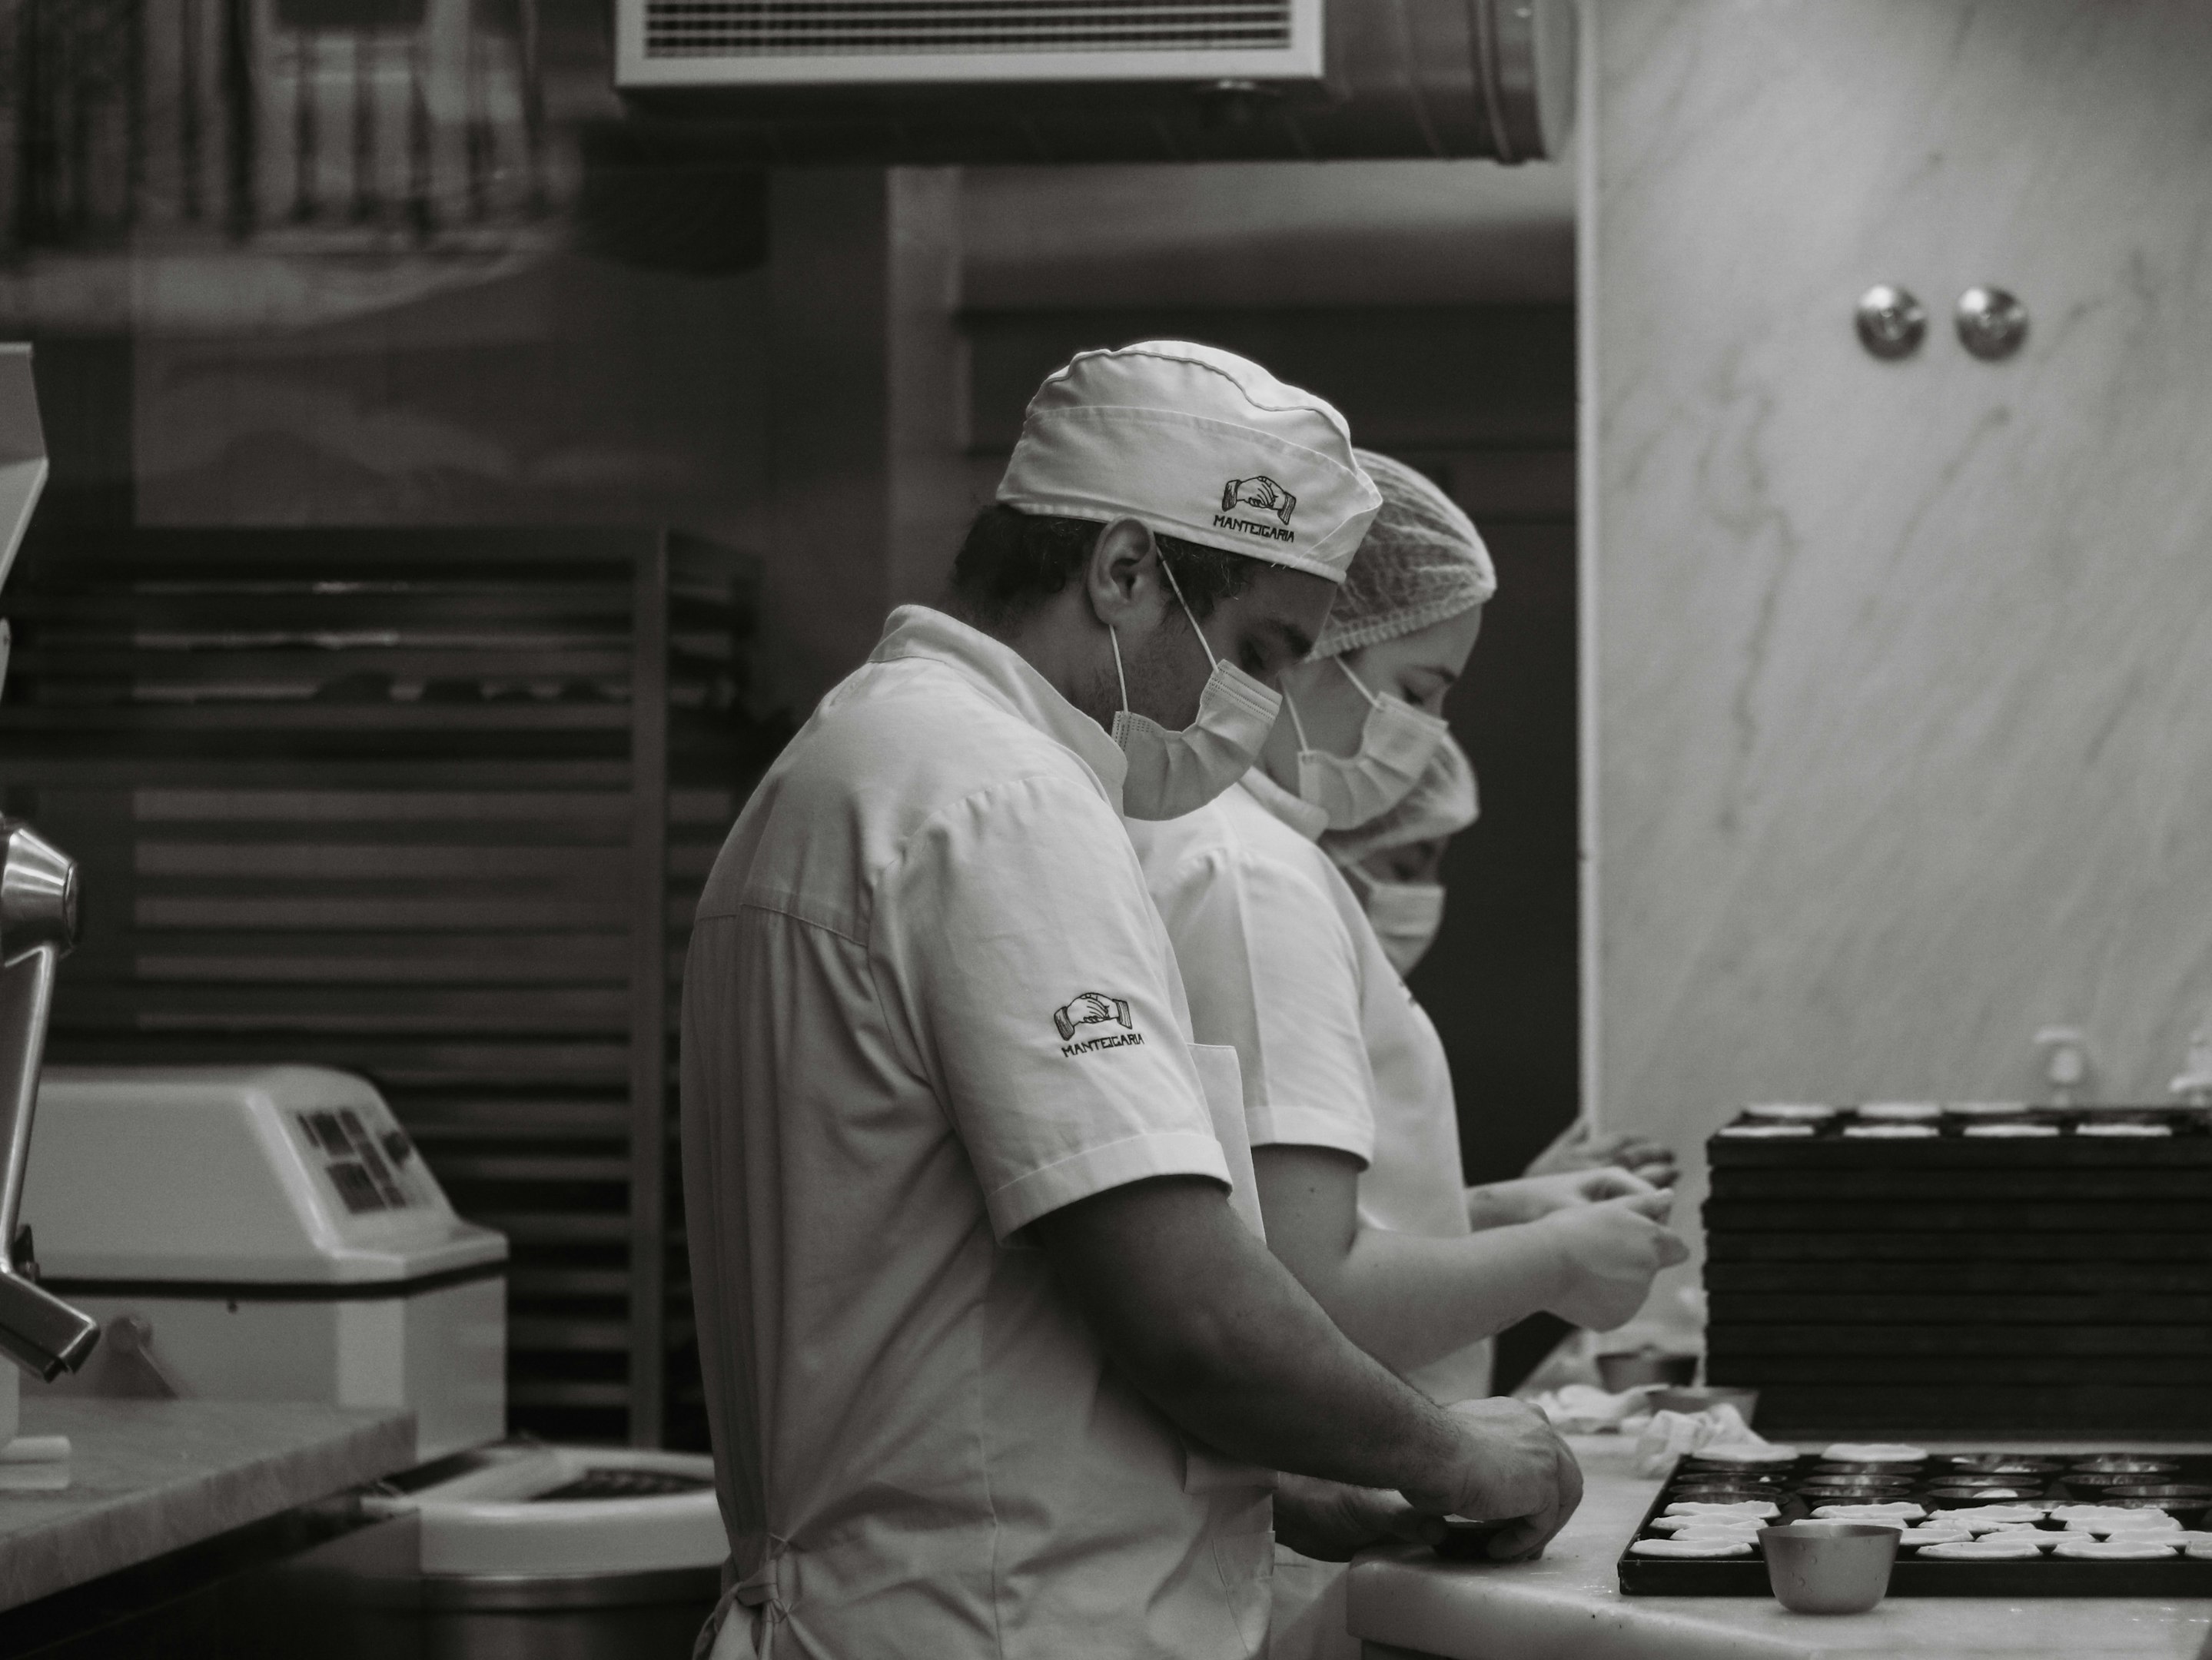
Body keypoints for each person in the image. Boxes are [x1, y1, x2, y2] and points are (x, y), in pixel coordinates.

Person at [680, 345, 1583, 1660]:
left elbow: (962, 1313)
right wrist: (1455, 1456)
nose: (1263, 708)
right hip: (1001, 1624)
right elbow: (1191, 1306)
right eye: (1261, 650)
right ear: (1120, 571)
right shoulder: (999, 800)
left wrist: (1282, 1475)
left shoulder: (862, 760)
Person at [1128, 449, 1686, 1658]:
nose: (1429, 739)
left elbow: (1252, 1222)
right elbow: (1307, 1292)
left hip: (1322, 1519)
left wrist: (1492, 1211)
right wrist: (1550, 1259)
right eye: (1418, 690)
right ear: (1315, 645)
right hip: (1316, 1543)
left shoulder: (1246, 861)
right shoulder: (1249, 878)